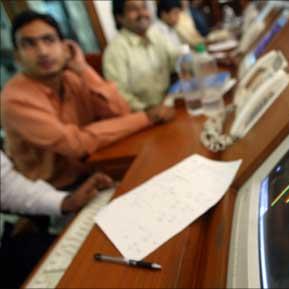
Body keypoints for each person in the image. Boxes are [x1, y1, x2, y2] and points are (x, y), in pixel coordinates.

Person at [1, 10, 174, 189]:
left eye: (49, 40)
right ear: (17, 57)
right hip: (57, 194)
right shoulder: (14, 99)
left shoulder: (72, 77)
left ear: (65, 46)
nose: (43, 52)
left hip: (96, 170)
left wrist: (83, 69)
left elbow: (120, 111)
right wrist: (146, 117)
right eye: (29, 44)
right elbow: (75, 144)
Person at [0, 150, 114, 288]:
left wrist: (67, 201)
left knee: (93, 257)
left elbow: (7, 188)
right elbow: (76, 142)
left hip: (9, 244)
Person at [104, 0, 180, 112]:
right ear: (120, 17)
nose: (142, 13)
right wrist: (148, 111)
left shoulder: (156, 35)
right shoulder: (115, 51)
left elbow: (176, 62)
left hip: (171, 105)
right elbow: (118, 95)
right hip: (146, 116)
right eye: (133, 9)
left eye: (144, 7)